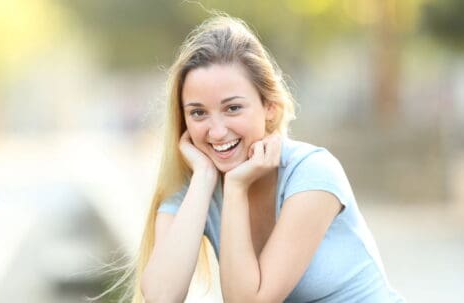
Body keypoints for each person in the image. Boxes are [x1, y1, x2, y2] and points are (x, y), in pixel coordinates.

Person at [134, 14, 405, 303]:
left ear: (270, 109)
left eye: (233, 108)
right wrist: (202, 178)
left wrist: (236, 187)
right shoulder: (194, 191)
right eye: (198, 113)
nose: (216, 131)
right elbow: (161, 297)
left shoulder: (312, 172)